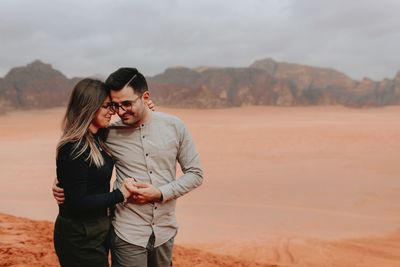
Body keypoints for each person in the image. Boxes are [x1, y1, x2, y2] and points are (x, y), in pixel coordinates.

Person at [54, 68, 203, 267]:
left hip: (164, 230)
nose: (120, 112)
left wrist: (160, 193)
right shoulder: (108, 133)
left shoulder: (174, 126)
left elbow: (195, 174)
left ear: (145, 97)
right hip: (126, 232)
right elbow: (77, 150)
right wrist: (61, 182)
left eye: (127, 103)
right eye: (115, 106)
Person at [53, 78, 136, 267]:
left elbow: (133, 125)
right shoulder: (73, 147)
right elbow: (78, 202)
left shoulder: (97, 137)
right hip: (79, 235)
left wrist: (148, 109)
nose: (112, 112)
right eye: (106, 106)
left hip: (97, 228)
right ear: (89, 107)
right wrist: (121, 194)